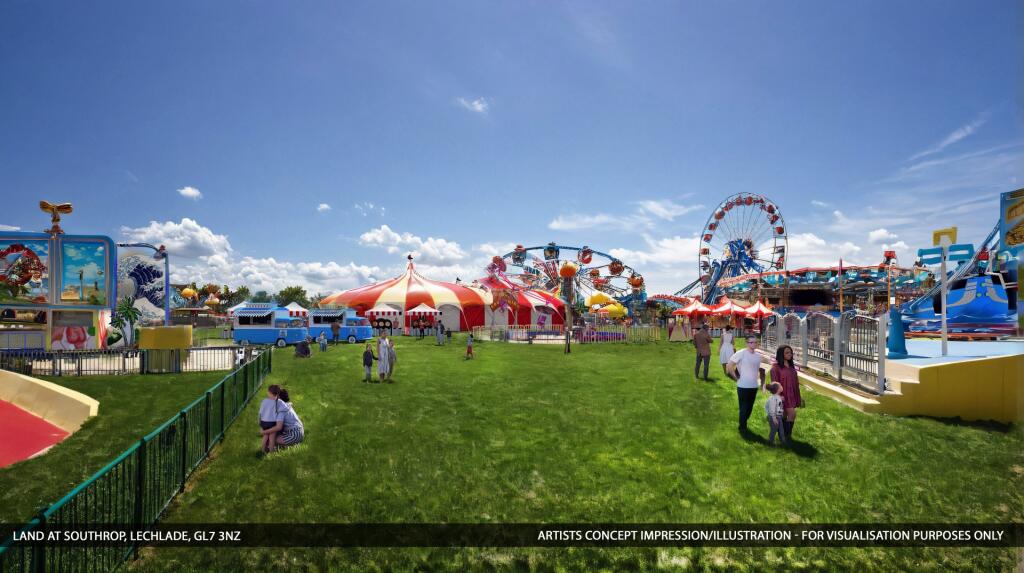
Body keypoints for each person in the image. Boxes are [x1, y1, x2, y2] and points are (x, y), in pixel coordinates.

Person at [727, 335, 766, 431]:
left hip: (753, 386)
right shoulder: (741, 353)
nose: (753, 344)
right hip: (743, 386)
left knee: (749, 408)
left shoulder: (758, 356)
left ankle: (744, 422)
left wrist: (762, 383)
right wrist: (735, 378)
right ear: (746, 343)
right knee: (744, 407)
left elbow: (762, 369)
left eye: (755, 342)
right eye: (751, 342)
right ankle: (742, 427)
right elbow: (729, 365)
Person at [771, 345, 803, 440]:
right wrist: (778, 396)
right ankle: (786, 436)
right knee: (792, 414)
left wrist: (799, 397)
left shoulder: (792, 366)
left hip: (792, 394)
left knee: (784, 415)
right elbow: (774, 384)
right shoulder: (775, 368)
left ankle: (783, 435)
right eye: (787, 352)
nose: (790, 354)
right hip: (783, 396)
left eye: (790, 352)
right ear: (781, 354)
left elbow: (795, 383)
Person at [258, 385, 282, 453]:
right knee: (272, 437)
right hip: (273, 422)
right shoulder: (278, 402)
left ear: (269, 392)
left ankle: (262, 450)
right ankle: (271, 452)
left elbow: (260, 412)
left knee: (265, 436)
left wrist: (259, 421)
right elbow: (282, 409)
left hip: (264, 422)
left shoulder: (264, 401)